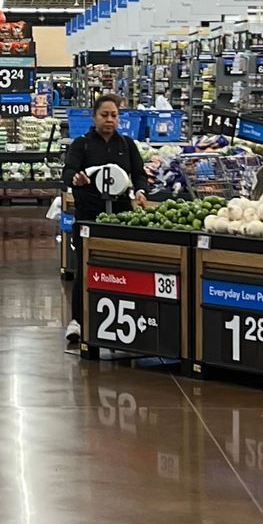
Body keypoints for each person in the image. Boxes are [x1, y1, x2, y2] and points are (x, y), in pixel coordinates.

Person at [61, 93, 148, 345]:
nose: (109, 120)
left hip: (121, 216)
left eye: (114, 115)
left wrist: (140, 191)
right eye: (104, 115)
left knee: (120, 266)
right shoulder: (82, 144)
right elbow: (68, 172)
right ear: (94, 116)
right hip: (88, 215)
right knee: (84, 267)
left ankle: (121, 322)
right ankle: (77, 321)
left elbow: (139, 174)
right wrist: (76, 179)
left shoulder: (127, 145)